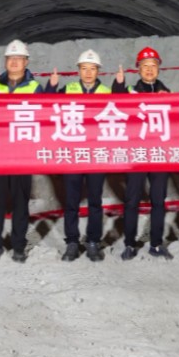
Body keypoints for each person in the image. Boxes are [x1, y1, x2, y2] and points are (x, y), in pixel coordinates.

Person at [0, 40, 47, 263]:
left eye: (19, 58)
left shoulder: (35, 88)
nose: (14, 62)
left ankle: (18, 246)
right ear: (5, 61)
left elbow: (44, 116)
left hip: (22, 155)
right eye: (10, 58)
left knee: (20, 203)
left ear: (26, 62)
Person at [114, 47, 173, 260]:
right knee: (132, 200)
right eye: (145, 66)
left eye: (153, 65)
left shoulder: (168, 94)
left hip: (159, 155)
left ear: (159, 68)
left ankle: (156, 243)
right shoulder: (130, 92)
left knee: (158, 201)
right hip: (136, 154)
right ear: (138, 69)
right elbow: (115, 103)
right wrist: (118, 85)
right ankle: (130, 243)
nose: (149, 69)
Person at [54, 49, 112, 262]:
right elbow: (47, 105)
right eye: (84, 68)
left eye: (92, 68)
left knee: (95, 200)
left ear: (98, 71)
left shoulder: (107, 92)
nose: (88, 72)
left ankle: (93, 241)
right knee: (71, 201)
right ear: (78, 70)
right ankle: (72, 241)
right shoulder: (67, 90)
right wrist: (51, 87)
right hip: (73, 155)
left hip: (97, 154)